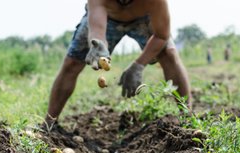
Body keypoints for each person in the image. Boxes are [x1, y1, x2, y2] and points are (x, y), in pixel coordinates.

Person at [45, 0, 192, 126]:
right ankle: (49, 123)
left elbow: (161, 35)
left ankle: (188, 117)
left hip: (144, 18)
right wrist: (98, 45)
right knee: (72, 62)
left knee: (169, 54)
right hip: (109, 17)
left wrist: (138, 65)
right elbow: (96, 29)